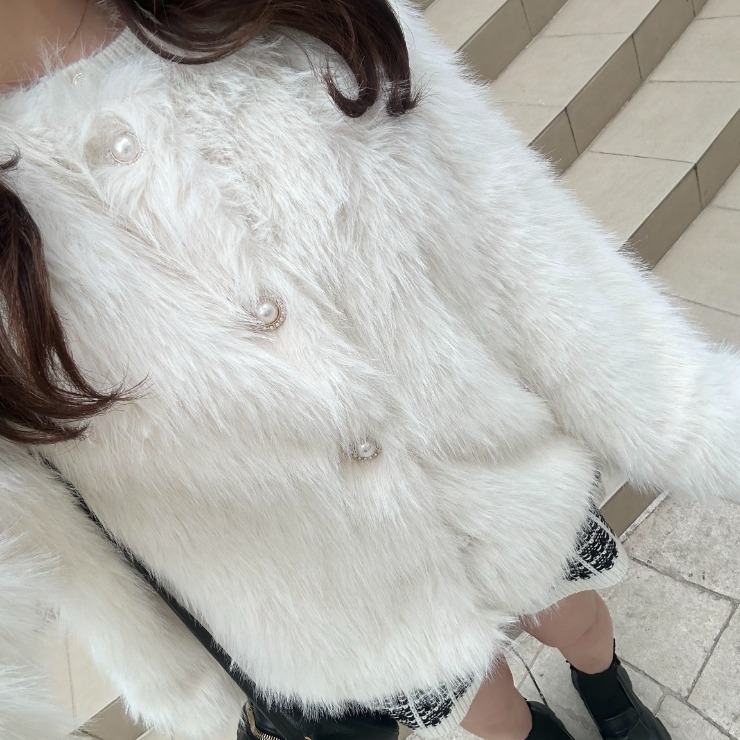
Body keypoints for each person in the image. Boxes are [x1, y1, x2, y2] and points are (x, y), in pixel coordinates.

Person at [0, 1, 737, 738]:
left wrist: (687, 413)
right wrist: (180, 683)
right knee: (497, 721)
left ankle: (605, 686)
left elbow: (513, 239)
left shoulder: (278, 19)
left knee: (581, 624)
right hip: (343, 610)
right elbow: (55, 548)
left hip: (505, 480)